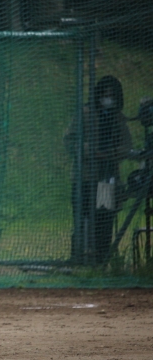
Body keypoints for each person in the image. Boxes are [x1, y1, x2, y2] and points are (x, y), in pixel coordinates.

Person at [64, 75, 133, 265]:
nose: (107, 99)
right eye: (105, 94)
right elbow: (69, 140)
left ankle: (101, 259)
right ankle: (78, 257)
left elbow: (126, 145)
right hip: (84, 178)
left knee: (104, 218)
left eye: (112, 95)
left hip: (107, 178)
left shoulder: (118, 117)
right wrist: (90, 151)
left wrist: (109, 153)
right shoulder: (85, 113)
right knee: (82, 217)